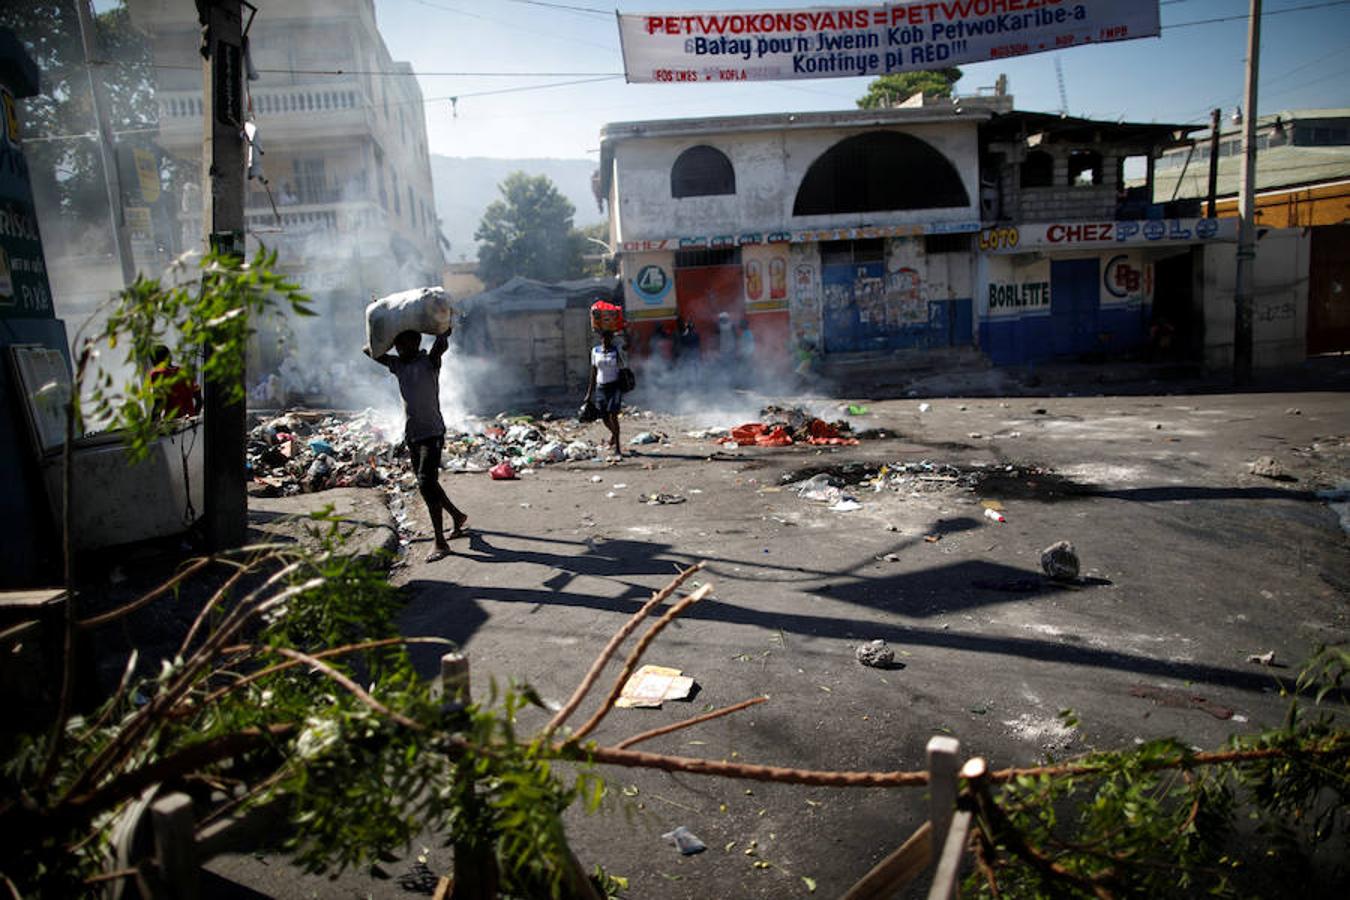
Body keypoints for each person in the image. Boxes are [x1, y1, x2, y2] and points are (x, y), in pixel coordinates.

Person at [370, 328, 467, 561]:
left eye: (404, 345)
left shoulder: (429, 361)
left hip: (432, 432)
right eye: (397, 346)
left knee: (425, 482)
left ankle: (440, 542)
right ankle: (456, 515)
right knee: (428, 483)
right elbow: (370, 351)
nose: (400, 349)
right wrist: (384, 331)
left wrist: (442, 332)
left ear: (415, 343)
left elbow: (441, 344)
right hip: (412, 434)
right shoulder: (397, 365)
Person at [585, 328, 623, 457]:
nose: (605, 340)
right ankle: (614, 434)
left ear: (611, 339)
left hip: (614, 387)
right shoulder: (595, 351)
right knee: (605, 417)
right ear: (601, 339)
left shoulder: (615, 351)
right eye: (603, 338)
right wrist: (589, 393)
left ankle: (618, 448)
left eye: (608, 338)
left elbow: (622, 368)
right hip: (600, 387)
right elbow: (593, 372)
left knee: (613, 416)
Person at [148, 345, 200, 419]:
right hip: (190, 419)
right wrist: (194, 416)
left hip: (172, 421)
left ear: (154, 360)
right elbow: (199, 399)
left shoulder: (157, 374)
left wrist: (153, 422)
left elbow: (159, 402)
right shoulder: (185, 372)